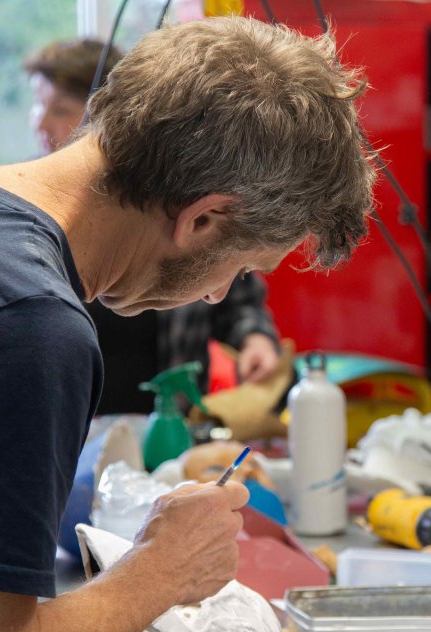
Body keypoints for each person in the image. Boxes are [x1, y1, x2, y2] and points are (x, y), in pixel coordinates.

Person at [0, 16, 375, 632]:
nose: (217, 296)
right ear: (202, 219)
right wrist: (161, 570)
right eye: (242, 268)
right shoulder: (34, 327)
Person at [24, 38, 283, 412]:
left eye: (60, 108)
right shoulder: (31, 225)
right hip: (76, 424)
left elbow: (235, 293)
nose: (40, 121)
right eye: (37, 103)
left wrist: (255, 337)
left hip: (170, 421)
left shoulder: (172, 198)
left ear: (103, 114)